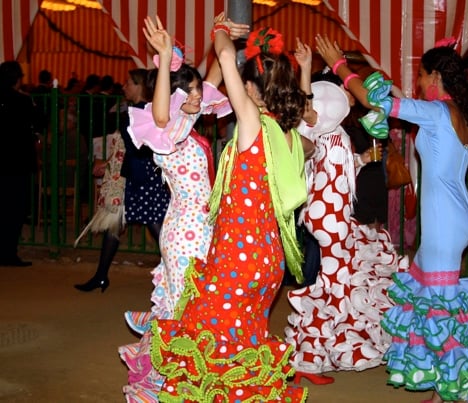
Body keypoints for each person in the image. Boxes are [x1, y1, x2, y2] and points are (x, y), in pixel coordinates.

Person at [315, 35, 468, 402]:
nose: (418, 82)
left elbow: (373, 100)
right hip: (457, 218)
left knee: (444, 306)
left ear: (435, 76)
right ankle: (441, 385)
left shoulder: (435, 113)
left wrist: (340, 65)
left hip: (444, 222)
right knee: (432, 300)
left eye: (421, 75)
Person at [145, 14, 312, 402]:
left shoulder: (253, 122)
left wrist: (221, 29)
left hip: (238, 255)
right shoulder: (290, 136)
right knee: (242, 343)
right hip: (269, 261)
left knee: (207, 340)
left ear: (252, 90)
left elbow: (223, 54)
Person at [117, 15, 248, 401]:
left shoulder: (186, 124)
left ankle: (181, 377)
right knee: (184, 309)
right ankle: (161, 383)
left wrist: (217, 34)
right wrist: (161, 59)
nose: (197, 96)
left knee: (192, 306)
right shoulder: (166, 131)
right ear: (173, 95)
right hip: (185, 231)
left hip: (198, 227)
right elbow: (161, 112)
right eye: (187, 92)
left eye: (194, 91)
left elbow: (211, 81)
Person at [285, 40, 407, 385]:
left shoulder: (334, 132)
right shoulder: (320, 125)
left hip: (333, 217)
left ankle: (312, 355)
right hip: (329, 219)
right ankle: (311, 359)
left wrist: (363, 160)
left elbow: (336, 168)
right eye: (346, 90)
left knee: (330, 288)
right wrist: (306, 69)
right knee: (333, 290)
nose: (353, 93)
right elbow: (307, 113)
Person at [73, 68, 170, 292]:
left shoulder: (141, 112)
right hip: (138, 176)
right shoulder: (143, 110)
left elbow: (136, 148)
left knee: (158, 229)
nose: (124, 86)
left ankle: (181, 274)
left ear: (140, 86)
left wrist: (110, 164)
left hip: (142, 177)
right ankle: (100, 275)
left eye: (129, 82)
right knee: (116, 224)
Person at [0, 61, 40, 267]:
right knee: (15, 210)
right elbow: (38, 121)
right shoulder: (22, 101)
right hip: (17, 163)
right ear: (17, 79)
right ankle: (8, 252)